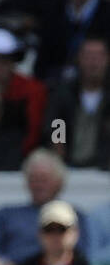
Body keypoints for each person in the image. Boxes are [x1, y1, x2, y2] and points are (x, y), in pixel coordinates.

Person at [0, 149, 90, 265]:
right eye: (33, 179)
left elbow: (85, 256)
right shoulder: (5, 215)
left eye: (44, 179)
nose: (38, 185)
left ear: (59, 183)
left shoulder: (74, 215)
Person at [44, 35, 110, 168]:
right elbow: (56, 121)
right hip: (69, 166)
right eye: (88, 56)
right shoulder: (63, 92)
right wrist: (58, 143)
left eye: (99, 56)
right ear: (78, 59)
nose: (93, 62)